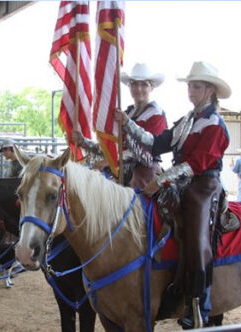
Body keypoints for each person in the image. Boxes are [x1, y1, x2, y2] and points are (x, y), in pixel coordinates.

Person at [129, 61, 231, 329]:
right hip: (180, 182)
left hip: (204, 186)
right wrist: (127, 124)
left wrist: (160, 181)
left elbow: (197, 164)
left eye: (196, 86)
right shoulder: (188, 120)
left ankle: (199, 303)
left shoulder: (214, 123)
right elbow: (156, 142)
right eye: (189, 86)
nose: (191, 91)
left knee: (197, 233)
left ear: (209, 90)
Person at [77, 62, 169, 190]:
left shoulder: (156, 114)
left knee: (137, 198)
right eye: (134, 84)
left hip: (144, 169)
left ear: (152, 87)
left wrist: (110, 161)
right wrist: (84, 142)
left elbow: (147, 150)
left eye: (144, 84)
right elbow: (115, 146)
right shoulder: (127, 113)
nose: (138, 88)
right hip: (120, 168)